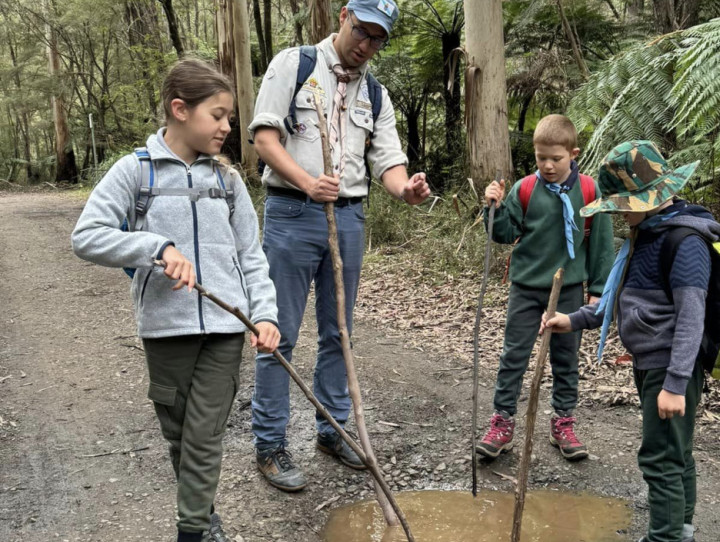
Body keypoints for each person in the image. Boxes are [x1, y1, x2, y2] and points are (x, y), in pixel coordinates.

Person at [72, 59, 281, 542]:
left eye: (230, 117)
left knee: (205, 435)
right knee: (180, 435)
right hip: (166, 331)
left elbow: (251, 256)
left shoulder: (227, 183)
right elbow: (86, 237)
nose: (229, 128)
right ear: (180, 109)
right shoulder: (134, 173)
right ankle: (203, 514)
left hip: (226, 332)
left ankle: (191, 530)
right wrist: (155, 247)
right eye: (219, 115)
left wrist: (263, 315)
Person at [248, 0, 431, 491]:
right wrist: (308, 182)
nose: (367, 45)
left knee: (339, 332)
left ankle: (332, 430)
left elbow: (387, 161)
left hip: (349, 217)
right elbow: (265, 138)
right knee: (278, 332)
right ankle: (270, 444)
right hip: (291, 212)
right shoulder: (295, 64)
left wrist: (405, 190)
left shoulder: (375, 91)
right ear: (345, 16)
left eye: (378, 39)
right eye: (363, 31)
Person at [542, 140, 720, 542]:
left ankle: (665, 537)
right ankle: (681, 531)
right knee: (676, 453)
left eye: (625, 203)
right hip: (650, 363)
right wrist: (571, 320)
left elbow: (692, 318)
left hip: (670, 366)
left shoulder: (684, 241)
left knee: (661, 458)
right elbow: (617, 300)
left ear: (654, 196)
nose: (620, 211)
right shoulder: (644, 234)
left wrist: (675, 384)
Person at [474, 114, 615, 462]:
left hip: (568, 289)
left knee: (566, 360)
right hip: (526, 286)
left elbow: (601, 243)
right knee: (514, 356)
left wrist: (598, 291)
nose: (548, 165)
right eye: (541, 158)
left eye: (556, 158)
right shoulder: (525, 189)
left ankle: (563, 423)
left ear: (573, 153)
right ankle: (502, 423)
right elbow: (503, 234)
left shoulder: (589, 190)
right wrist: (491, 205)